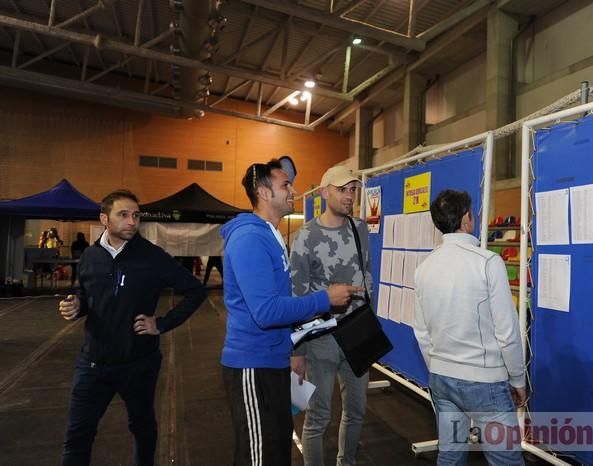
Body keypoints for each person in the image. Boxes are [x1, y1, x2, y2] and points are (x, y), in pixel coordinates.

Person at [220, 159, 361, 466]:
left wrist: (290, 349)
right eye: (285, 185)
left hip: (271, 360)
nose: (293, 191)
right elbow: (266, 311)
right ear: (263, 192)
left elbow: (280, 301)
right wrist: (325, 298)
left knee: (275, 449)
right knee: (259, 456)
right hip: (252, 364)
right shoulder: (249, 239)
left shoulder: (269, 235)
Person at [57, 189, 207, 466]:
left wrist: (161, 323)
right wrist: (78, 305)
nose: (132, 222)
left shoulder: (152, 256)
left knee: (142, 429)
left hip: (138, 364)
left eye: (136, 216)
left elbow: (196, 291)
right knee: (77, 436)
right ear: (104, 218)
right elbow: (88, 294)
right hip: (92, 364)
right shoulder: (91, 256)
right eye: (123, 215)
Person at [413, 189, 526, 466]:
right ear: (466, 219)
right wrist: (518, 380)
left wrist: (440, 367)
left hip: (441, 378)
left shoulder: (424, 268)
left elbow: (421, 332)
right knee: (506, 460)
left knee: (450, 456)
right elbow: (507, 332)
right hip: (485, 381)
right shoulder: (488, 262)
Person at [290, 166, 371, 466]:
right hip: (321, 338)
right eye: (342, 189)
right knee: (318, 417)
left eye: (353, 189)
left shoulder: (359, 228)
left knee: (357, 409)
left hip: (358, 333)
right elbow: (297, 295)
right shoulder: (305, 237)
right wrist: (297, 350)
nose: (349, 195)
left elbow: (368, 276)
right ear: (325, 193)